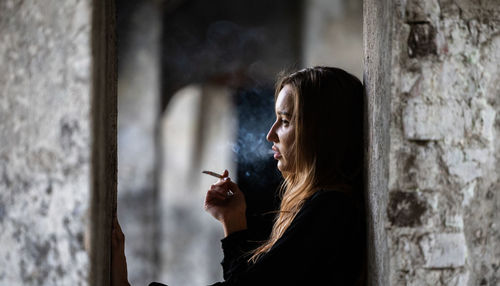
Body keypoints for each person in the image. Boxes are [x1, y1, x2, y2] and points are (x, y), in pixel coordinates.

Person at [112, 66, 367, 286]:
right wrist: (232, 218)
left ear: (320, 133)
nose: (271, 134)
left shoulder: (330, 208)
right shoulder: (329, 205)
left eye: (285, 121)